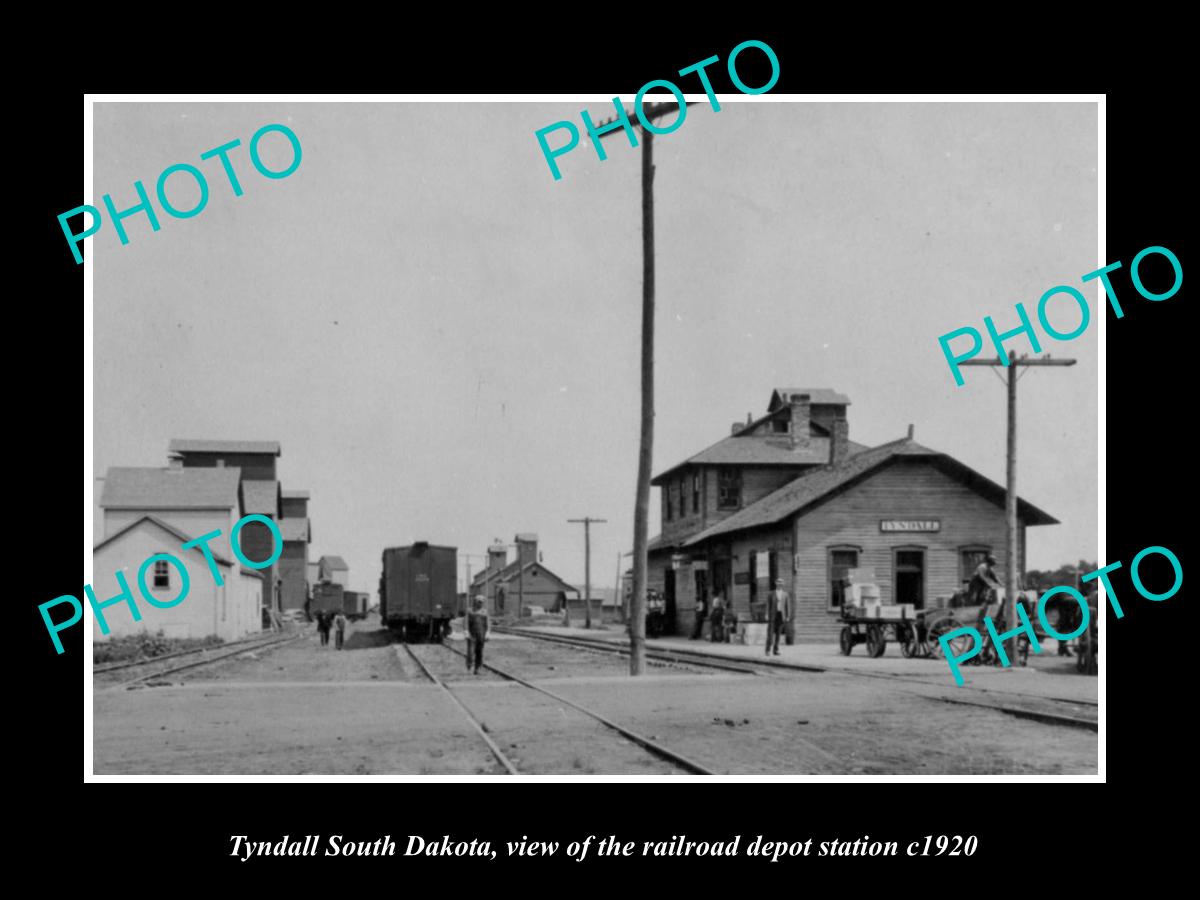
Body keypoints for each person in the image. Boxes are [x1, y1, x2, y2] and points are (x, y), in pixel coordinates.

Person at [765, 578, 791, 656]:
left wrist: (788, 616)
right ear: (775, 583)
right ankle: (768, 650)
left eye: (781, 583)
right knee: (770, 633)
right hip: (773, 615)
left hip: (781, 615)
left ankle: (776, 650)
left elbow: (788, 606)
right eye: (778, 582)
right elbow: (768, 605)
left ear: (783, 584)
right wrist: (766, 614)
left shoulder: (785, 594)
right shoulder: (771, 593)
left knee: (778, 634)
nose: (780, 584)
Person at [466, 594, 490, 674]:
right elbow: (465, 622)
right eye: (478, 602)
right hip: (471, 634)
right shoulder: (470, 611)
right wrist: (466, 631)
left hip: (481, 635)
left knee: (479, 652)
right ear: (475, 602)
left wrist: (488, 633)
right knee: (470, 652)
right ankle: (469, 665)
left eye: (481, 602)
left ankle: (477, 668)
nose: (480, 604)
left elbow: (488, 623)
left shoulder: (485, 612)